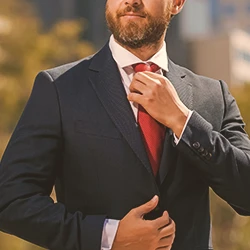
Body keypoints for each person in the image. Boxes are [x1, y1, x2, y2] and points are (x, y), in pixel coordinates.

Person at [0, 0, 250, 249]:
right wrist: (108, 236)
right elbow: (10, 202)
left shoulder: (213, 95)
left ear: (176, 3)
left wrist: (183, 121)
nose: (131, 1)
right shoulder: (58, 88)